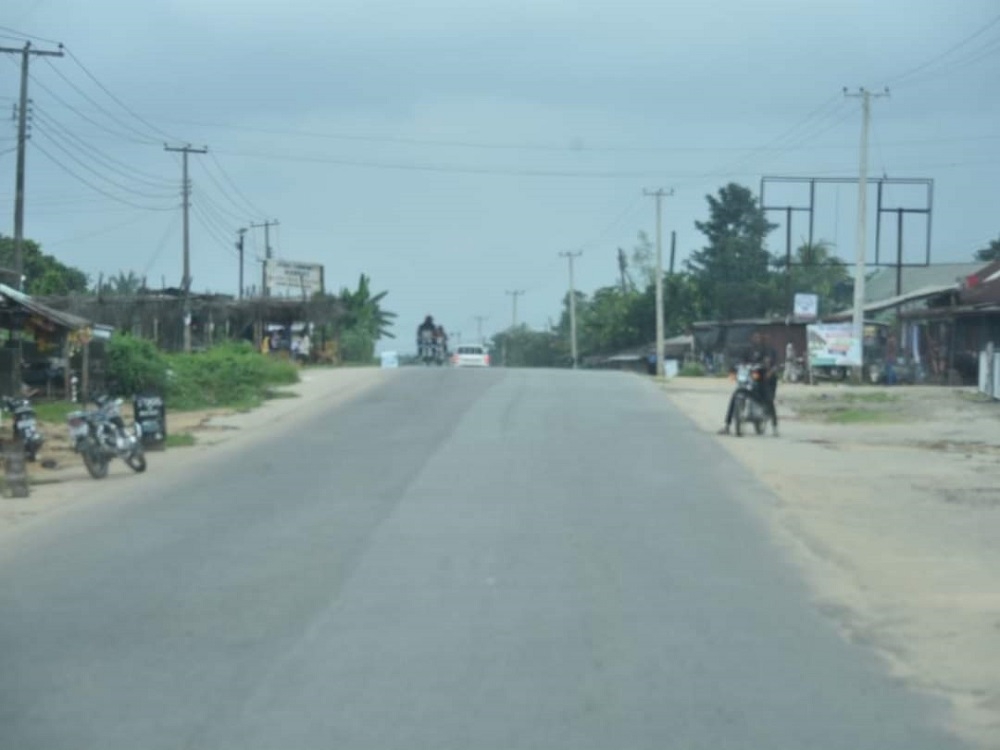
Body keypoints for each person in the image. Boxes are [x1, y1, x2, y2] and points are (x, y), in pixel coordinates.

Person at [719, 331, 779, 435]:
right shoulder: (748, 350)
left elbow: (771, 363)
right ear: (752, 338)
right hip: (747, 380)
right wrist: (733, 368)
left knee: (768, 399)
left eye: (759, 337)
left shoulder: (767, 350)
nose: (757, 339)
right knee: (735, 395)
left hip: (761, 380)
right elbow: (741, 361)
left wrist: (768, 368)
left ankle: (775, 426)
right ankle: (727, 426)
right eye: (755, 337)